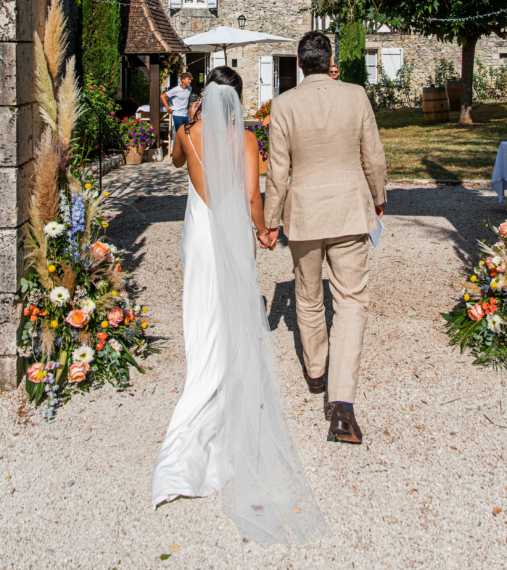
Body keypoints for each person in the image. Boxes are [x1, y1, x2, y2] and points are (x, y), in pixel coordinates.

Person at [152, 66, 328, 545]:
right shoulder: (248, 142)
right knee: (231, 317)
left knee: (201, 315)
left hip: (197, 239)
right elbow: (252, 196)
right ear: (240, 99)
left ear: (207, 97)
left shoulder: (188, 133)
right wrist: (266, 230)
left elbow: (173, 163)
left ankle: (200, 377)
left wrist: (179, 122)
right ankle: (222, 389)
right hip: (229, 233)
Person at [264, 31, 387, 446]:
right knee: (351, 302)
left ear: (300, 64)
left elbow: (277, 171)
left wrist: (270, 219)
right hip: (349, 210)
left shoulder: (282, 105)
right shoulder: (356, 96)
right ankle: (342, 406)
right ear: (329, 60)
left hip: (304, 214)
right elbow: (373, 153)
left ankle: (316, 373)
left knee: (308, 296)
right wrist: (379, 195)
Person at [160, 71, 193, 136]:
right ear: (183, 80)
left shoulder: (189, 88)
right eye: (188, 79)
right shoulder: (175, 90)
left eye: (190, 80)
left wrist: (188, 108)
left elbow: (188, 97)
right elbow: (162, 96)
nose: (190, 81)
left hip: (185, 115)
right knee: (180, 135)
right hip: (177, 115)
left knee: (187, 134)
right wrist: (167, 108)